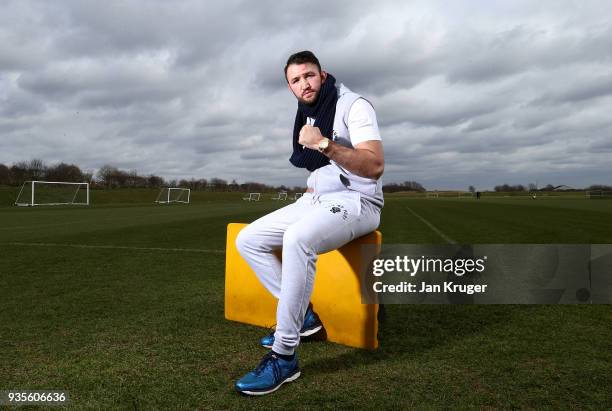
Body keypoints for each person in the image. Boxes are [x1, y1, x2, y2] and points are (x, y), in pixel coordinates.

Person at [234, 50, 384, 395]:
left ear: (323, 74)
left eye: (309, 75)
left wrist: (325, 145)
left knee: (297, 239)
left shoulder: (354, 106)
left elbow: (374, 166)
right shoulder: (306, 113)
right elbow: (309, 161)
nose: (304, 84)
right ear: (290, 87)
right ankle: (304, 318)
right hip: (317, 198)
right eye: (296, 80)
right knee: (249, 239)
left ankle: (284, 356)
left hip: (357, 199)